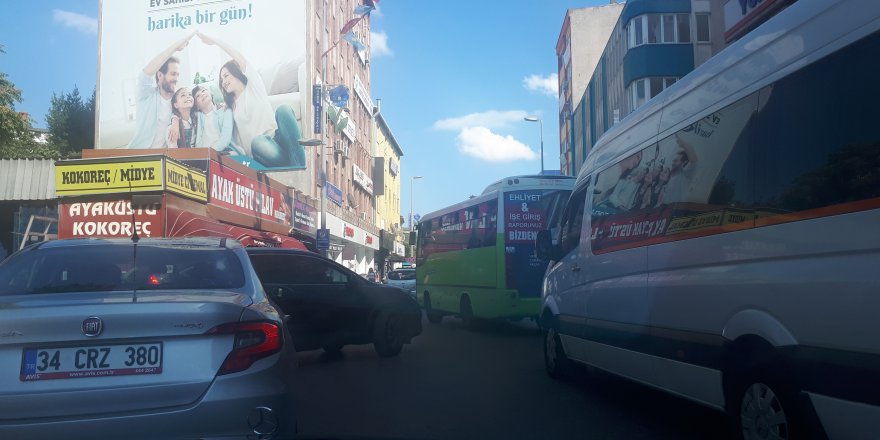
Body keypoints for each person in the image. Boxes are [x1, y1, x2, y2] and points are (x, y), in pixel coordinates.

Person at [197, 32, 305, 169]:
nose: (224, 81)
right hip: (261, 151)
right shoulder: (229, 108)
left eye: (226, 76)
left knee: (283, 109)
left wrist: (215, 40)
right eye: (222, 80)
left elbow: (239, 57)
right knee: (258, 142)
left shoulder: (254, 86)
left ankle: (299, 167)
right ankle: (296, 167)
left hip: (278, 140)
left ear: (236, 72)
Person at [127, 33, 194, 149]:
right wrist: (175, 48)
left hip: (162, 159)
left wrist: (176, 121)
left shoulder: (178, 101)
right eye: (173, 74)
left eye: (178, 75)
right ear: (160, 75)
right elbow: (144, 75)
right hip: (139, 155)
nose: (176, 79)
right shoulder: (146, 95)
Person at [191, 85, 245, 155]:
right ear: (196, 106)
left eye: (203, 90)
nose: (202, 94)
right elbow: (182, 112)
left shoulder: (225, 110)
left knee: (233, 155)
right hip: (204, 154)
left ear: (211, 94)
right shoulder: (198, 116)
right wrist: (175, 120)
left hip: (222, 150)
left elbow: (225, 138)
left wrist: (209, 152)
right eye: (197, 96)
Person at [662, 134, 699, 204]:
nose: (673, 163)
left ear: (683, 162)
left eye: (676, 161)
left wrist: (684, 144)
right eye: (673, 160)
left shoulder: (686, 175)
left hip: (675, 211)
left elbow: (694, 161)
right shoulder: (666, 176)